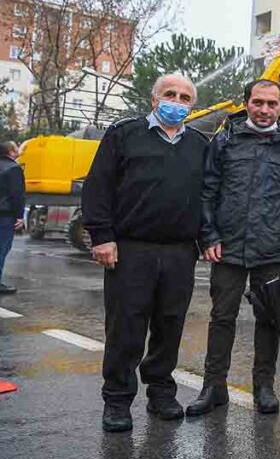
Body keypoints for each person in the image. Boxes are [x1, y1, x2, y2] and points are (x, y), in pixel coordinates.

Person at [82, 73, 208, 433]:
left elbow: (207, 196)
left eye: (185, 97)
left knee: (170, 325)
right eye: (170, 94)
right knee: (126, 328)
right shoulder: (124, 134)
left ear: (191, 106)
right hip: (130, 250)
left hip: (180, 253)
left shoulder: (199, 144)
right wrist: (102, 236)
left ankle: (161, 393)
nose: (176, 101)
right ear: (154, 99)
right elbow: (98, 186)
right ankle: (118, 400)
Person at [186, 80, 280, 417]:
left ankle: (263, 386)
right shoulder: (224, 141)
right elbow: (208, 190)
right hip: (228, 246)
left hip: (273, 248)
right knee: (222, 317)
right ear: (246, 103)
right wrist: (208, 236)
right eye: (258, 103)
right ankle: (213, 386)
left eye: (272, 104)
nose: (264, 110)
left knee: (270, 319)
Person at [0, 141, 25, 294]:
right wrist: (19, 216)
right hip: (4, 215)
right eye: (16, 146)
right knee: (1, 249)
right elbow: (16, 195)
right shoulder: (14, 168)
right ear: (11, 151)